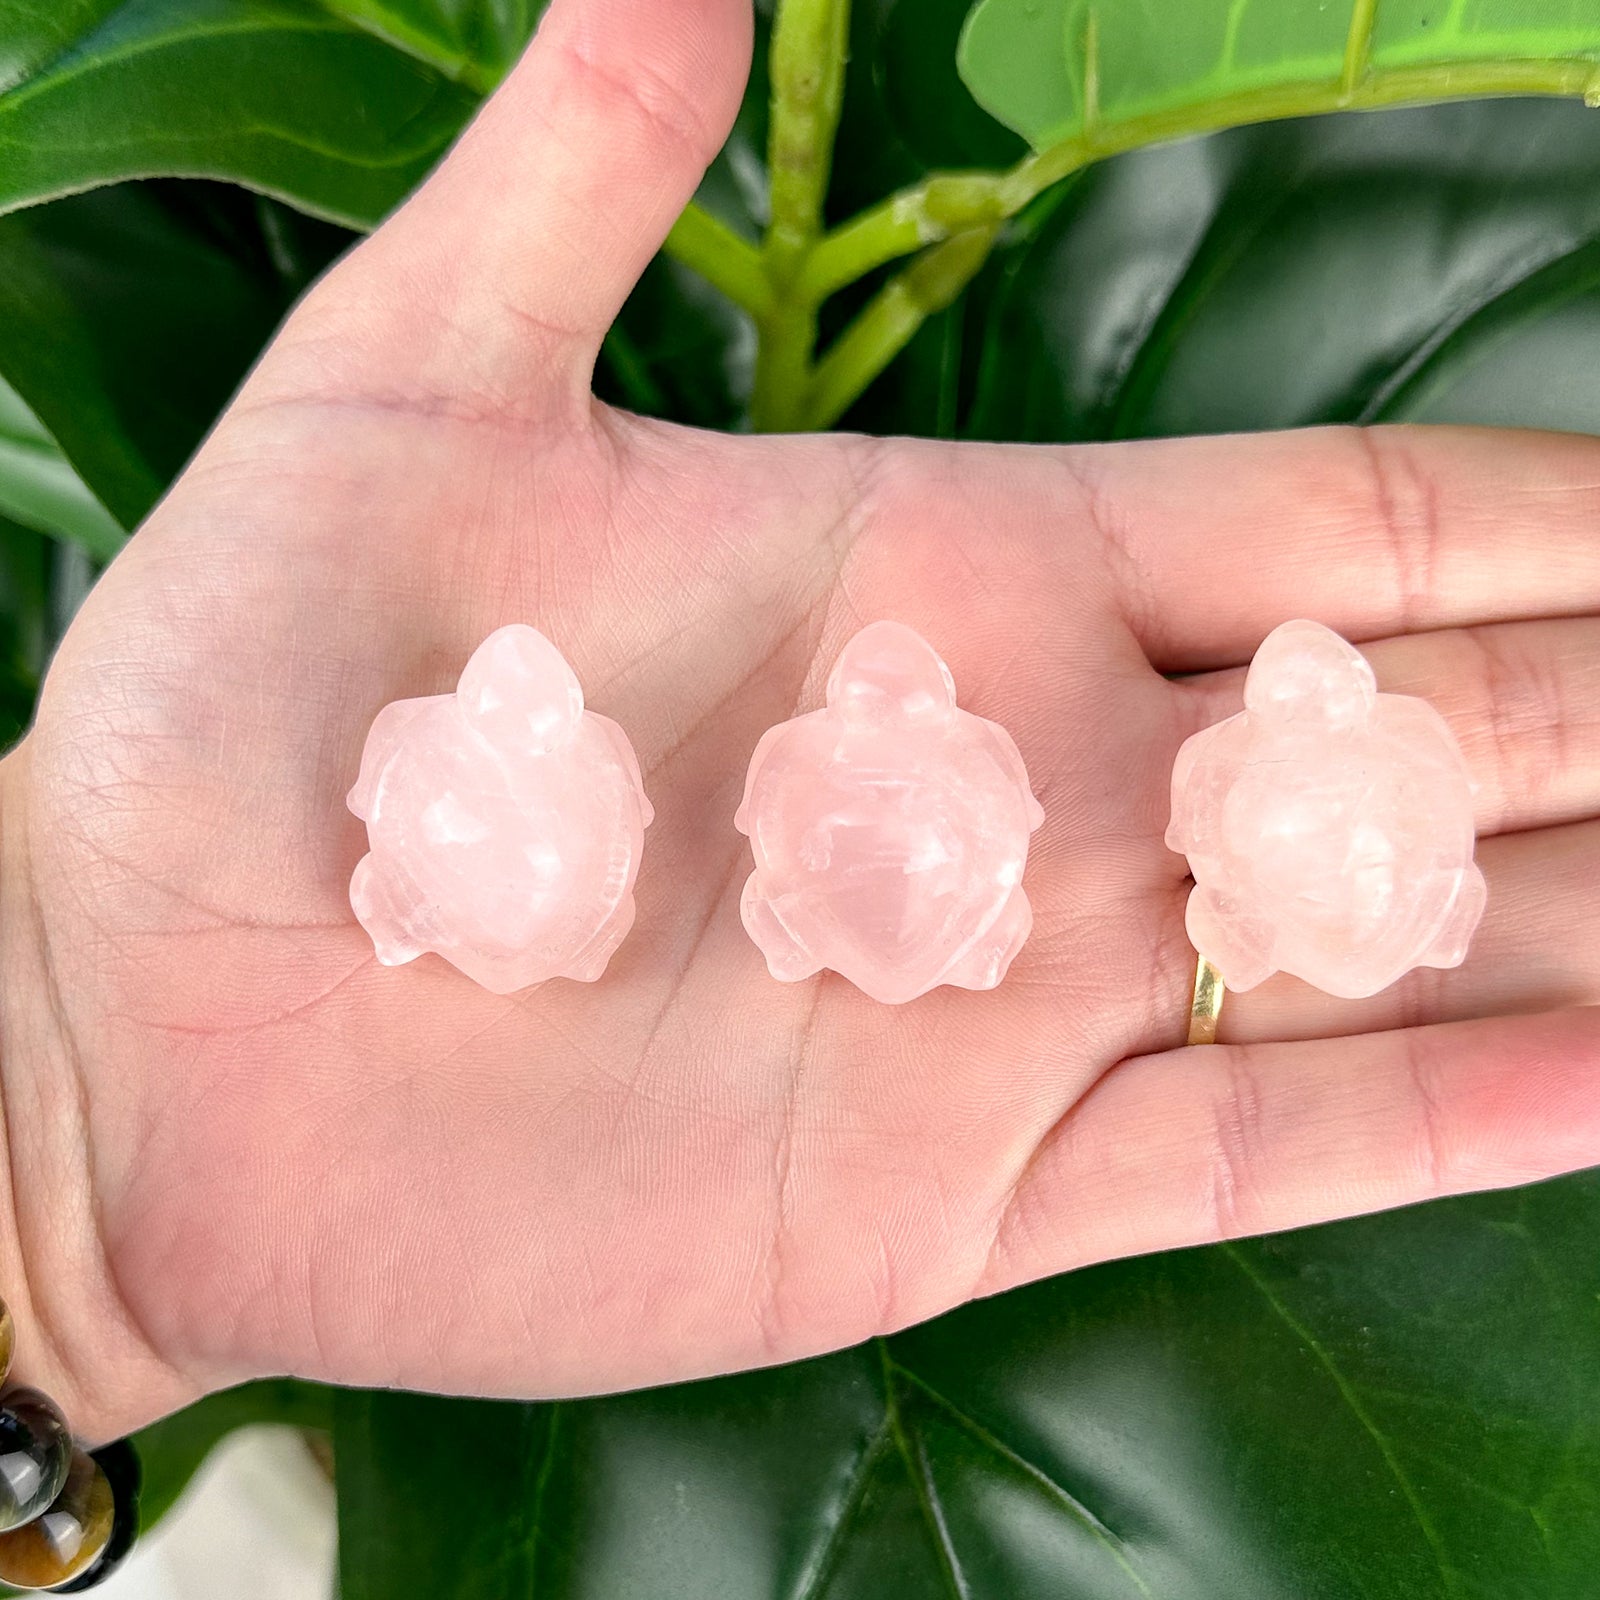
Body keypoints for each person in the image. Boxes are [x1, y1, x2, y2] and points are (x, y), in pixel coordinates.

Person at [2, 0, 1596, 1447]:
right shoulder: (596, 780)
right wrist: (67, 1124)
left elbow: (822, 835)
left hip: (871, 886)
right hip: (643, 894)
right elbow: (742, 840)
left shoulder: (844, 782)